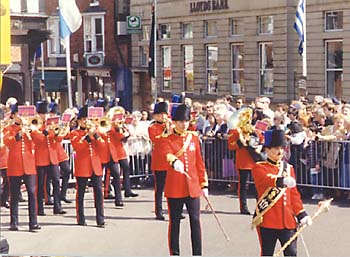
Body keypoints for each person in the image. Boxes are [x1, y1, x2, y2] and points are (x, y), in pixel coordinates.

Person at [251, 129, 312, 256]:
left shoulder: (289, 168)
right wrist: (282, 180)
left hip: (288, 221)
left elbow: (293, 195)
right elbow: (266, 179)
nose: (279, 151)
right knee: (267, 253)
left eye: (281, 148)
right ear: (267, 150)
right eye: (275, 148)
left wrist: (302, 214)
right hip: (269, 220)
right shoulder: (259, 167)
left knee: (291, 253)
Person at [163, 104, 209, 255]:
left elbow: (199, 163)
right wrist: (174, 161)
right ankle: (175, 253)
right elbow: (167, 154)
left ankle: (198, 253)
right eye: (181, 121)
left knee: (195, 221)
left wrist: (204, 184)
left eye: (187, 121)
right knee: (175, 222)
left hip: (193, 186)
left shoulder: (193, 138)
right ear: (174, 122)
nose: (184, 124)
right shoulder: (167, 139)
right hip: (175, 187)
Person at [4, 105, 41, 232]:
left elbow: (40, 141)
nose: (23, 118)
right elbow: (7, 141)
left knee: (31, 193)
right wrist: (19, 133)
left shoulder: (31, 128)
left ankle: (33, 223)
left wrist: (32, 131)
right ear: (14, 116)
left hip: (29, 166)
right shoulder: (9, 128)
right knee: (14, 195)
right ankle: (14, 222)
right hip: (15, 165)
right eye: (19, 115)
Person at [70, 106, 105, 227]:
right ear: (79, 121)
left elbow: (103, 147)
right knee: (80, 193)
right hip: (83, 165)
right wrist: (87, 137)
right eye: (83, 119)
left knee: (99, 192)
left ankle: (100, 218)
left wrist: (95, 135)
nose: (86, 121)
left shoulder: (96, 132)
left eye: (88, 119)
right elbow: (78, 147)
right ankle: (81, 218)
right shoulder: (74, 133)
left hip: (95, 165)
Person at [148, 102, 170, 220]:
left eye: (164, 114)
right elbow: (156, 140)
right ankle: (159, 210)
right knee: (160, 188)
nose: (163, 117)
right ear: (155, 116)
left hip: (170, 160)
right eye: (160, 114)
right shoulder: (152, 127)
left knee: (172, 187)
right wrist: (166, 130)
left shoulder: (170, 125)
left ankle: (173, 210)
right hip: (159, 161)